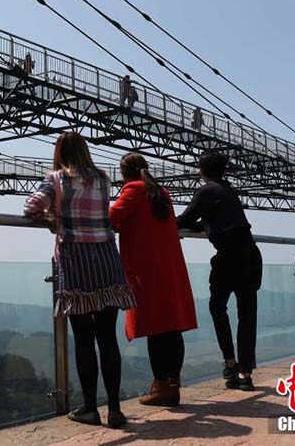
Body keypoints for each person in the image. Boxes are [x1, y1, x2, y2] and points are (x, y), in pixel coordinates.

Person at [24, 131, 135, 428]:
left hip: (77, 260)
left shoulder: (56, 178)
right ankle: (114, 410)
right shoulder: (102, 179)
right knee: (107, 337)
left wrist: (52, 219)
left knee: (84, 338)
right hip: (107, 258)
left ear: (60, 152)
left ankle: (89, 408)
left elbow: (30, 207)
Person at [110, 153, 197, 407]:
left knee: (155, 328)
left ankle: (161, 387)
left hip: (146, 270)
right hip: (170, 268)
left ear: (123, 173)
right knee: (171, 326)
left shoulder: (133, 191)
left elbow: (112, 218)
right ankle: (172, 383)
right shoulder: (161, 191)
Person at [177, 151, 263, 391]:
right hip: (250, 256)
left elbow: (183, 221)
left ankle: (230, 362)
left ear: (200, 170)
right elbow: (215, 220)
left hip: (228, 259)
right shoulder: (227, 190)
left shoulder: (206, 191)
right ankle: (245, 374)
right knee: (247, 315)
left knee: (217, 308)